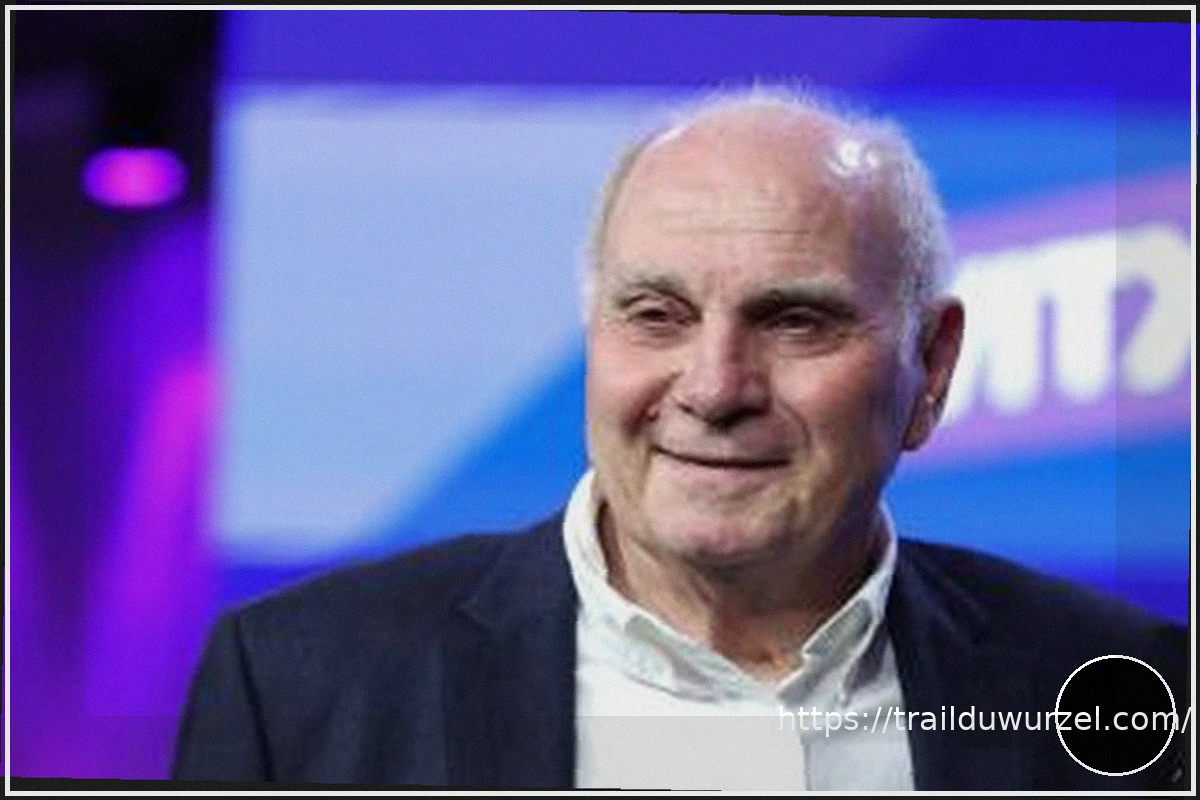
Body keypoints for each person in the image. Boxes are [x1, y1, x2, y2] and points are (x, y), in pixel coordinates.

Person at [173, 89, 1189, 790]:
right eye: (656, 314)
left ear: (930, 364)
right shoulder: (299, 688)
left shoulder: (1120, 684)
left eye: (796, 320)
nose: (714, 387)